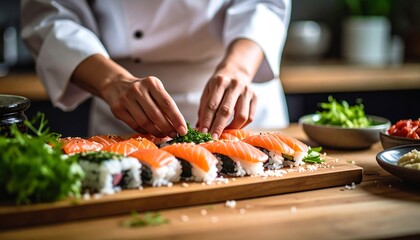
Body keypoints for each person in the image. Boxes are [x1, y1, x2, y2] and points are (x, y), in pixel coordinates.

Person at [21, 0, 291, 139]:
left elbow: (264, 3)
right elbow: (50, 15)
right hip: (125, 105)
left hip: (237, 99)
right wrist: (113, 82)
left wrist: (240, 70)